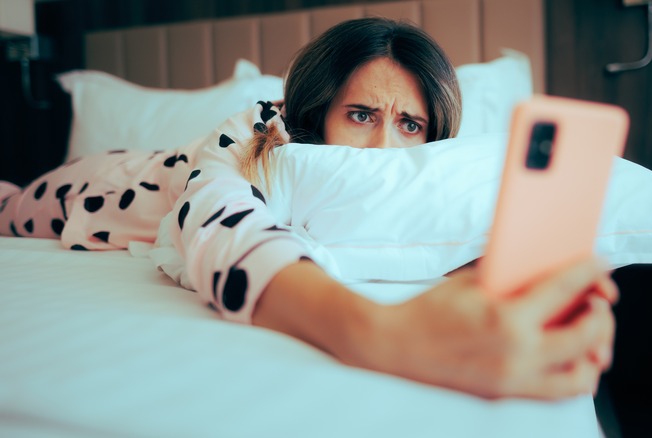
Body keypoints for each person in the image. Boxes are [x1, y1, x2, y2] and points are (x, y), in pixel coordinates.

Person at [0, 17, 616, 400]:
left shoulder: (433, 175)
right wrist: (382, 334)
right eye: (361, 115)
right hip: (92, 187)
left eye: (410, 124)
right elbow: (216, 223)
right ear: (317, 113)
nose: (383, 146)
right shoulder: (260, 133)